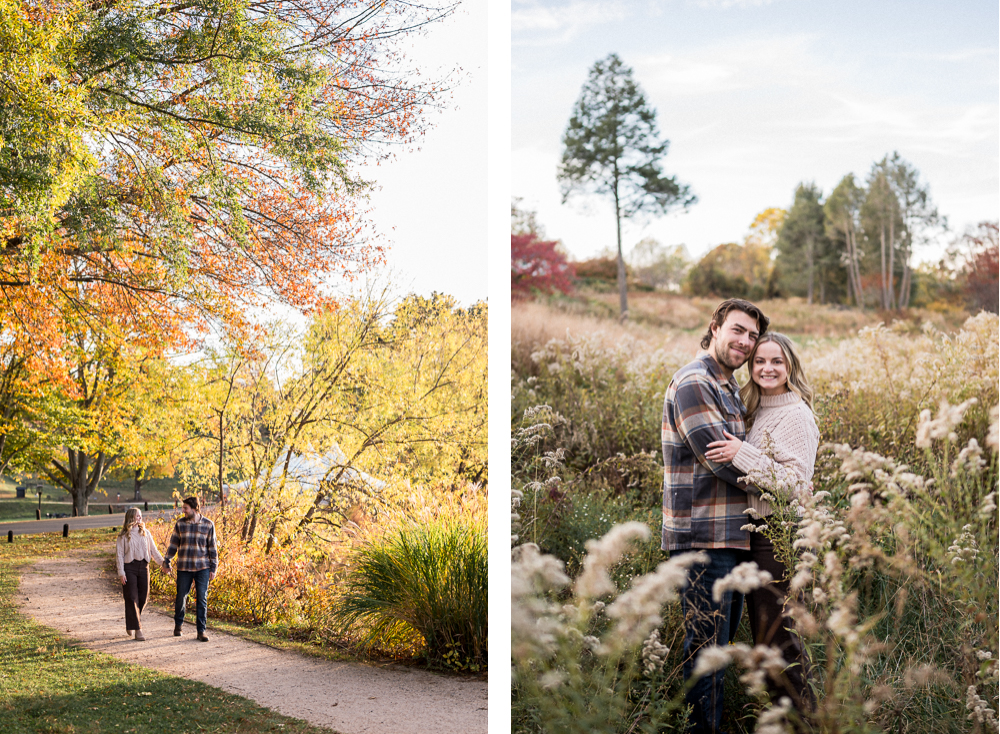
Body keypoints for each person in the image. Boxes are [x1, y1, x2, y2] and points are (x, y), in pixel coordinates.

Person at [661, 298, 769, 734]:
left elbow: (738, 453)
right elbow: (719, 459)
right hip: (702, 539)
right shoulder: (695, 381)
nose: (745, 342)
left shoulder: (728, 386)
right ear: (715, 328)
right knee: (706, 650)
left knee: (717, 651)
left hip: (731, 536)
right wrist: (780, 482)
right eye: (738, 330)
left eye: (753, 336)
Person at [704, 332, 819, 717]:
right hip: (759, 536)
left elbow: (796, 485)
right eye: (760, 361)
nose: (767, 368)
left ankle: (803, 724)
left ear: (790, 367)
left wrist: (742, 453)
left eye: (777, 361)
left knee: (779, 645)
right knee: (768, 641)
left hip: (781, 537)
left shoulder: (797, 415)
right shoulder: (757, 409)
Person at [163, 496, 218, 642]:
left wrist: (213, 568)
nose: (183, 511)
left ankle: (201, 631)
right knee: (181, 597)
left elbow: (213, 548)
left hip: (203, 568)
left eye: (185, 508)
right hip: (184, 567)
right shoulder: (180, 524)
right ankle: (178, 625)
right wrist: (167, 561)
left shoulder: (208, 524)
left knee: (202, 599)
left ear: (194, 508)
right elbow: (173, 545)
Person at [115, 507, 166, 641]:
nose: (140, 518)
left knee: (143, 597)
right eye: (137, 516)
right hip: (129, 568)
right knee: (132, 597)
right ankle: (138, 629)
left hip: (144, 567)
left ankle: (131, 621)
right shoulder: (123, 536)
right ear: (131, 517)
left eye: (140, 515)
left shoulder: (146, 533)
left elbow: (154, 551)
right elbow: (119, 555)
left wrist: (163, 563)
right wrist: (121, 572)